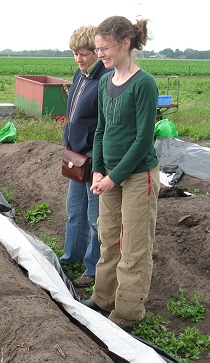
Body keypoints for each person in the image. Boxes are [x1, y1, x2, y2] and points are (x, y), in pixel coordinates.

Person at [83, 16, 160, 329]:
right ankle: (103, 297)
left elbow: (144, 140)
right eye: (98, 49)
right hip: (109, 175)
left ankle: (127, 311)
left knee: (134, 244)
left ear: (126, 43)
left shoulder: (144, 84)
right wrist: (98, 170)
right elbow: (101, 129)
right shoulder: (104, 82)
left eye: (105, 48)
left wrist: (114, 176)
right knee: (108, 236)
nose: (101, 54)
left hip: (138, 175)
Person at [60, 25, 112, 288]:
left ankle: (92, 269)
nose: (79, 59)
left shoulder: (106, 79)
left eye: (84, 54)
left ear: (97, 52)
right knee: (74, 211)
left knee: (95, 218)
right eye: (75, 54)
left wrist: (98, 163)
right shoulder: (80, 76)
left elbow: (105, 126)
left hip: (94, 158)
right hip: (76, 156)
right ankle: (71, 257)